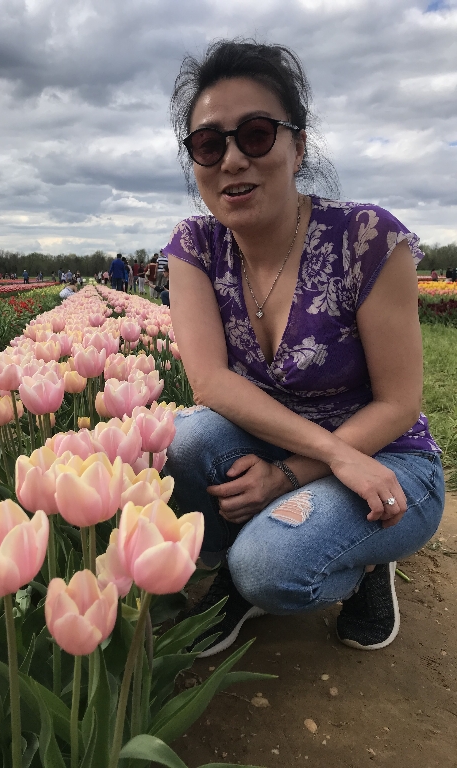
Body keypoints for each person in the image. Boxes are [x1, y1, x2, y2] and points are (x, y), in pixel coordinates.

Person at [163, 40, 444, 658]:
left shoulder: (366, 239)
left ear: (299, 146)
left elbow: (399, 404)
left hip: (383, 458)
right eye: (209, 144)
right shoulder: (196, 246)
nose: (232, 159)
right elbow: (209, 382)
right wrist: (296, 466)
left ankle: (363, 563)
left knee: (269, 567)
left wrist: (296, 473)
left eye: (256, 135)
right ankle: (237, 565)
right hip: (286, 447)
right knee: (180, 440)